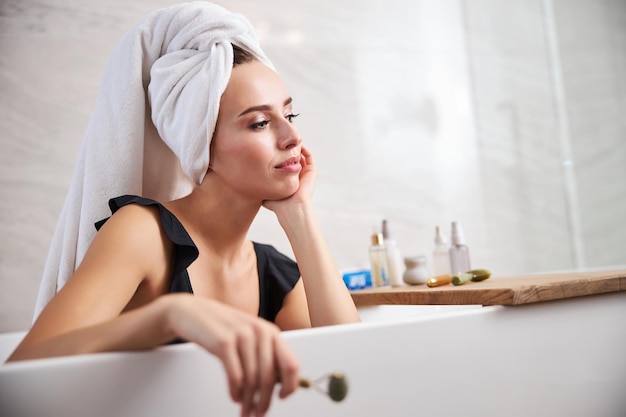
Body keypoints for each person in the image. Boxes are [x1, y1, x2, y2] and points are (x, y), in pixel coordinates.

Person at [6, 2, 360, 417]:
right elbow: (21, 374)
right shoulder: (142, 233)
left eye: (289, 113)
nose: (292, 136)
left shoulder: (274, 272)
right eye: (259, 123)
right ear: (201, 145)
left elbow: (351, 371)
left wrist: (299, 214)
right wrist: (169, 315)